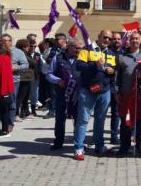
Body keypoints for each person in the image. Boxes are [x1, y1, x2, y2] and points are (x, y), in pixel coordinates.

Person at [73, 30, 117, 160]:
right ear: (98, 36)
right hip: (88, 90)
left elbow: (112, 69)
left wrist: (111, 70)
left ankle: (99, 146)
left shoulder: (111, 53)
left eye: (110, 38)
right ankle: (78, 149)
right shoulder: (87, 49)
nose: (107, 40)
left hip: (105, 91)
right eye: (105, 37)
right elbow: (79, 65)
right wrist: (94, 65)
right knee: (83, 120)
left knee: (100, 120)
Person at [46, 39, 83, 150]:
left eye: (80, 48)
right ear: (69, 47)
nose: (79, 50)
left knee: (79, 119)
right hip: (62, 93)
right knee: (60, 118)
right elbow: (49, 74)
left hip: (78, 94)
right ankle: (58, 141)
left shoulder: (83, 58)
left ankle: (78, 142)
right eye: (76, 48)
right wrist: (58, 81)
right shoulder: (58, 58)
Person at [116, 32, 141, 155]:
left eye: (137, 38)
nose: (135, 41)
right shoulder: (122, 56)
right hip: (126, 94)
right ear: (129, 40)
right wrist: (117, 91)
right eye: (133, 38)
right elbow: (117, 77)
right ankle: (124, 146)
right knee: (126, 121)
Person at [4, 34, 28, 130]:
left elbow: (25, 65)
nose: (4, 42)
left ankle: (10, 123)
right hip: (0, 80)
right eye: (2, 40)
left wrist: (15, 68)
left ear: (11, 41)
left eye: (6, 40)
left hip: (13, 80)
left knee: (11, 102)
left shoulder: (18, 52)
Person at [43, 33, 67, 118]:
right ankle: (52, 111)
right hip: (56, 74)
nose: (56, 41)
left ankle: (68, 111)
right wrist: (51, 59)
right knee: (53, 94)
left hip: (67, 74)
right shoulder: (54, 49)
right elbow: (48, 59)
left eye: (58, 39)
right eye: (56, 39)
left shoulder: (68, 48)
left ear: (64, 40)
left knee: (68, 94)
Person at [15, 39, 37, 119]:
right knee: (20, 96)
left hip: (27, 76)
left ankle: (26, 112)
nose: (29, 47)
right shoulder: (21, 53)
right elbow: (32, 62)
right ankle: (16, 113)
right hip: (23, 76)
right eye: (28, 46)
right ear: (23, 47)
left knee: (26, 96)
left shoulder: (26, 53)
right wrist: (34, 62)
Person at [108, 31, 124, 145]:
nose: (117, 41)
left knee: (116, 113)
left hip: (118, 87)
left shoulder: (124, 53)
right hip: (105, 86)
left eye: (119, 39)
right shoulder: (106, 52)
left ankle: (115, 136)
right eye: (114, 39)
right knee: (101, 114)